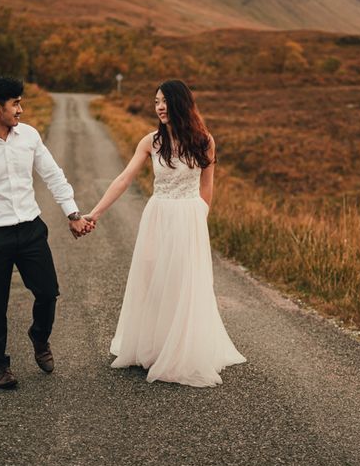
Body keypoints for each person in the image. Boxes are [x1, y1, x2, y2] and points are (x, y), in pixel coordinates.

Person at [86, 79, 247, 387]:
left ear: (180, 103)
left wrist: (200, 216)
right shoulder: (150, 142)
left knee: (183, 282)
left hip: (189, 218)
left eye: (164, 101)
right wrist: (95, 212)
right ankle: (155, 346)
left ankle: (182, 351)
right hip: (157, 216)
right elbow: (123, 179)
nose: (159, 106)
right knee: (153, 279)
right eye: (156, 101)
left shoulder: (204, 141)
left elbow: (207, 186)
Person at [0, 76, 94, 389]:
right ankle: (0, 367)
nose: (21, 109)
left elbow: (53, 175)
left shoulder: (28, 136)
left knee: (47, 292)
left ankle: (39, 337)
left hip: (30, 229)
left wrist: (72, 213)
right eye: (16, 103)